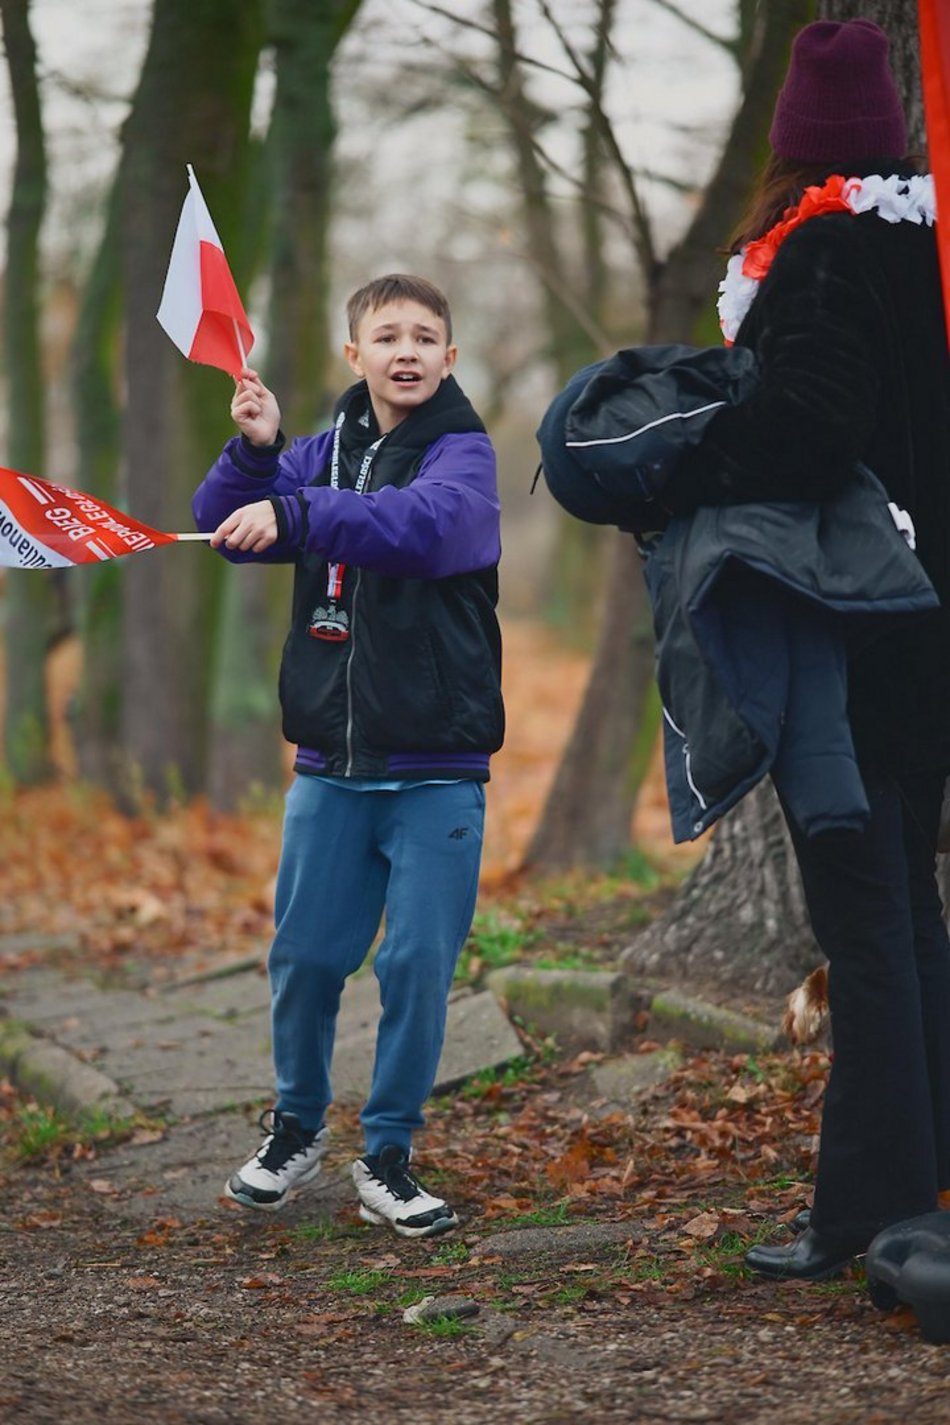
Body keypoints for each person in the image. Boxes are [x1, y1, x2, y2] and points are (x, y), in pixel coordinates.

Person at [654, 18, 950, 1280]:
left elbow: (812, 421)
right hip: (921, 631)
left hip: (848, 640)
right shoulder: (923, 249)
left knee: (865, 923)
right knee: (907, 917)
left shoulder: (822, 253)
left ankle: (866, 1215)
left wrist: (682, 463)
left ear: (789, 146)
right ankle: (913, 1194)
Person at [193, 273, 504, 1238]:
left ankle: (390, 1151)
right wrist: (257, 457)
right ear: (354, 353)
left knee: (414, 963)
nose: (406, 351)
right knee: (305, 957)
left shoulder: (464, 452)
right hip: (330, 765)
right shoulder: (319, 452)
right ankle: (294, 1129)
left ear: (449, 357)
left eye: (424, 337)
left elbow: (427, 528)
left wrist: (300, 512)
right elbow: (226, 527)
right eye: (387, 335)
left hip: (437, 767)